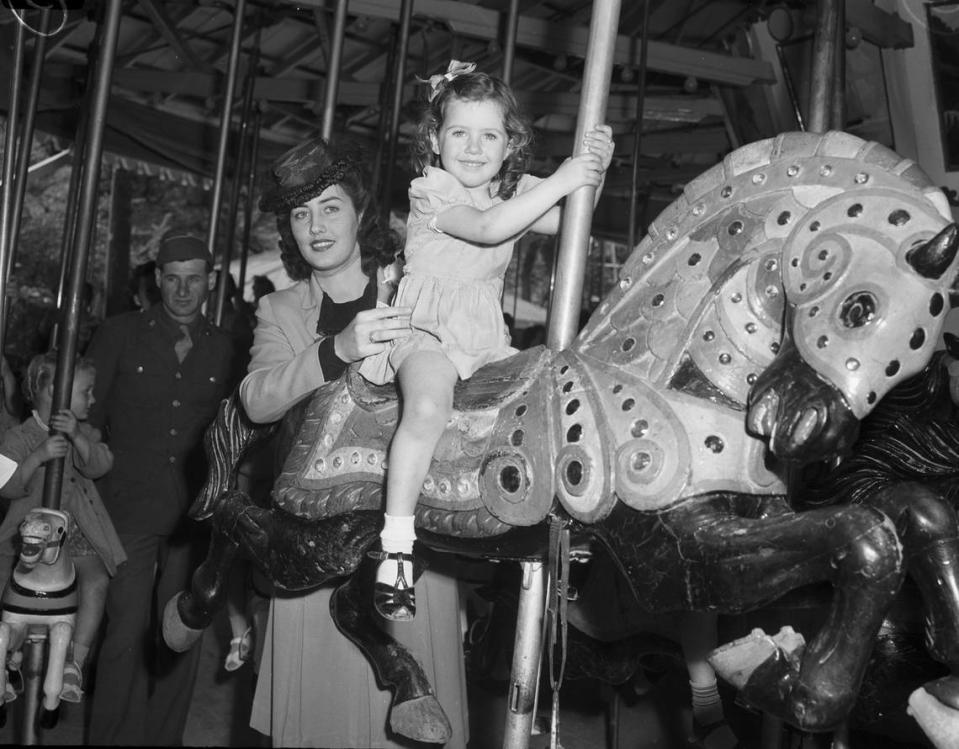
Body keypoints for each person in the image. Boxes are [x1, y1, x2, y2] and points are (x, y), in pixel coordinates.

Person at [359, 60, 614, 620]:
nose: (474, 148)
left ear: (509, 145)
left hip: (482, 339)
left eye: (489, 135)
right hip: (424, 329)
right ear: (434, 139)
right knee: (428, 405)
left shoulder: (513, 191)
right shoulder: (432, 190)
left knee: (550, 396)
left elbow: (574, 223)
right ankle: (396, 545)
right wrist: (566, 179)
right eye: (459, 133)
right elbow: (488, 229)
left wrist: (595, 168)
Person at [241, 135, 469, 748]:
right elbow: (257, 397)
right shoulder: (281, 310)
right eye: (300, 213)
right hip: (321, 528)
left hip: (408, 524)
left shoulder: (411, 287)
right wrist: (334, 351)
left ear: (361, 213)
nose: (316, 226)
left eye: (330, 207)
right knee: (324, 714)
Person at [86, 230, 236, 746]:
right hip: (125, 506)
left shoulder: (227, 350)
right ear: (157, 280)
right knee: (123, 633)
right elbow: (90, 417)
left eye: (193, 280)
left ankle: (161, 738)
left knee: (179, 632)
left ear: (210, 282)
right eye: (172, 280)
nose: (182, 291)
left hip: (192, 515)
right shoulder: (118, 333)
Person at [0, 352, 126, 702]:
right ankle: (9, 656)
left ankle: (75, 661)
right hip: (25, 531)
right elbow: (4, 484)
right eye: (86, 391)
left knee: (97, 580)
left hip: (75, 532)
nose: (93, 398)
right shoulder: (17, 437)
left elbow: (100, 464)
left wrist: (78, 439)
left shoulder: (86, 432)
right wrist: (37, 458)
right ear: (56, 391)